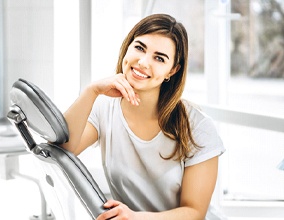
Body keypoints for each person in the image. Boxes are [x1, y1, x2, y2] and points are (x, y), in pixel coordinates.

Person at [62, 13, 225, 220]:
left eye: (159, 58)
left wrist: (135, 218)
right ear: (127, 47)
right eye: (139, 47)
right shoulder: (104, 107)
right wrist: (91, 91)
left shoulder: (197, 127)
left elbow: (195, 213)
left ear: (172, 71)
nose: (143, 62)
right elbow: (64, 148)